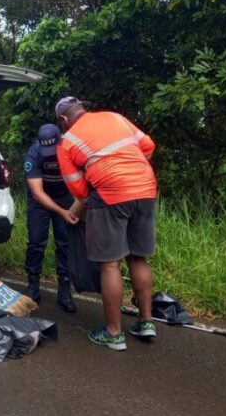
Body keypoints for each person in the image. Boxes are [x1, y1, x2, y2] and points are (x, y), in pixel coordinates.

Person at [54, 96, 158, 351]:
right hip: (146, 189)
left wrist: (102, 178)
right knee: (138, 258)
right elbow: (148, 146)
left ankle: (113, 333)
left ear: (63, 119)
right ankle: (146, 322)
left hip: (110, 195)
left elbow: (79, 190)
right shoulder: (115, 117)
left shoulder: (67, 142)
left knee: (109, 264)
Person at [23, 123, 79, 312]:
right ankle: (32, 287)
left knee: (65, 243)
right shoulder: (34, 154)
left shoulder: (71, 149)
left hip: (65, 198)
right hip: (40, 200)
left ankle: (64, 291)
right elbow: (38, 193)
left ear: (60, 138)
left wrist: (73, 207)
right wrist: (61, 212)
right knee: (36, 242)